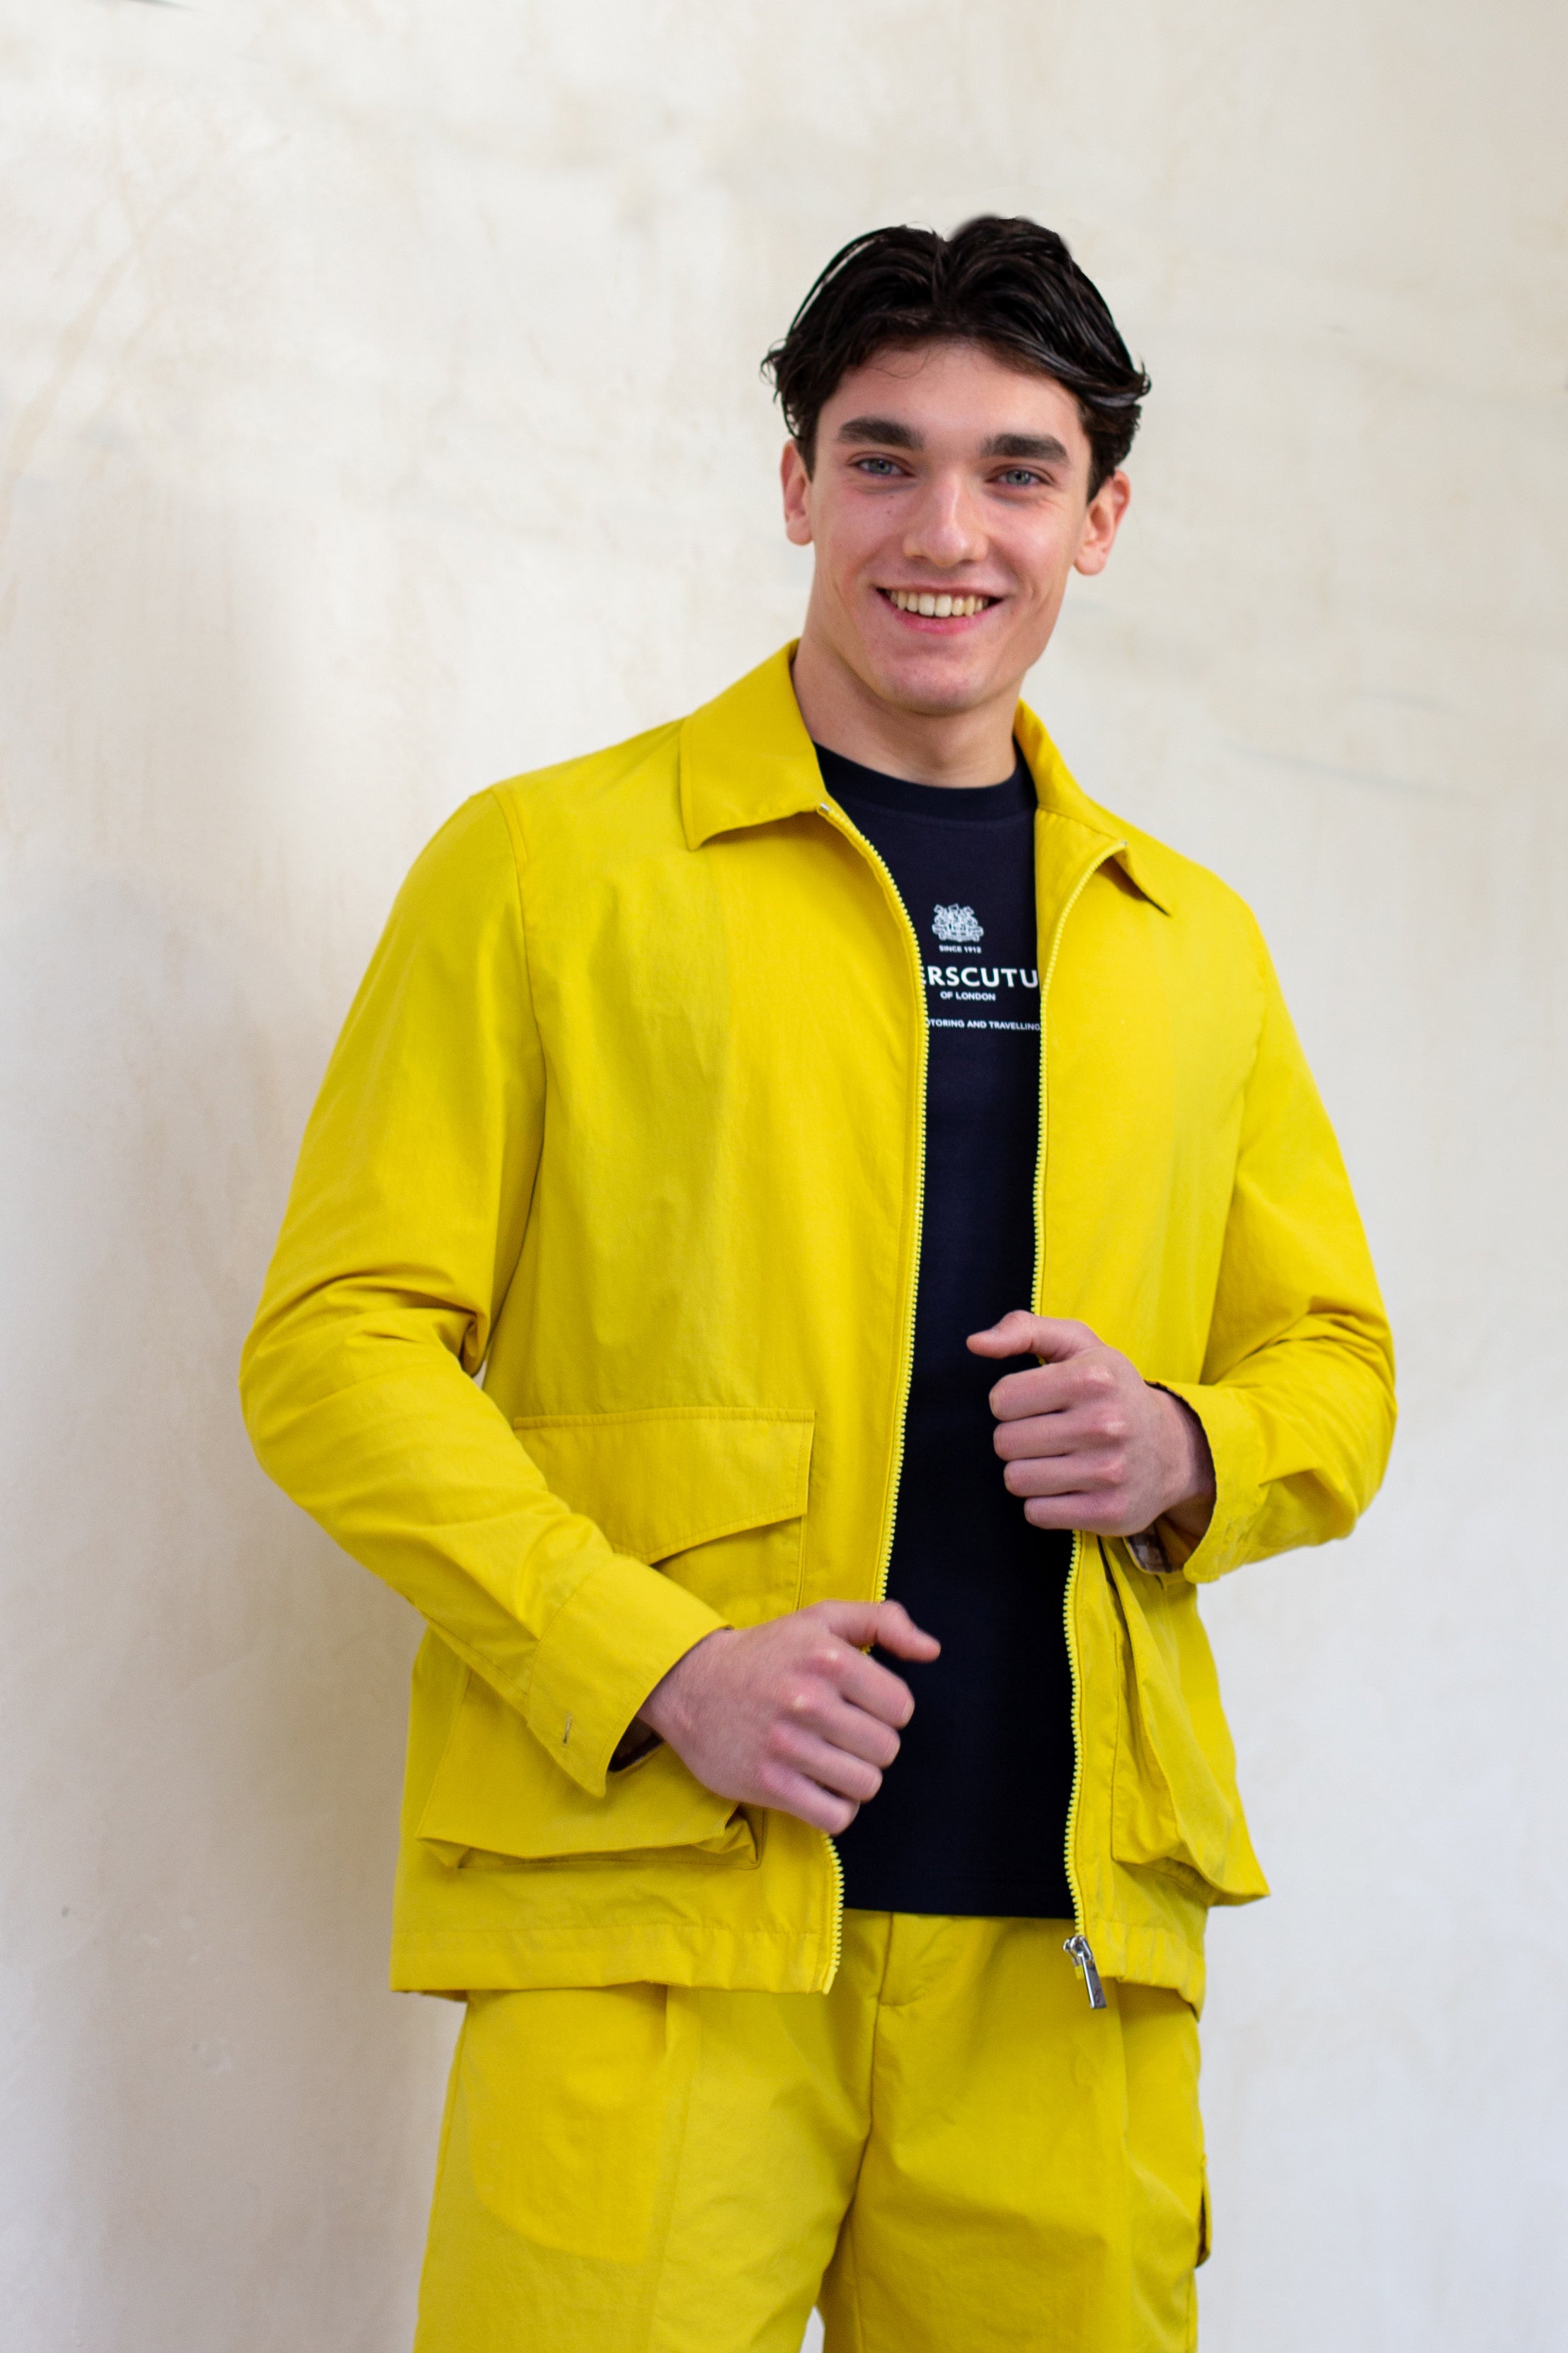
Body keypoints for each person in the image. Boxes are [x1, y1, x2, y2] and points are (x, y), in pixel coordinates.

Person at [240, 216, 1395, 2353]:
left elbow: (1333, 1362)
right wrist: (657, 1662)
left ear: (1100, 519)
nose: (945, 532)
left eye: (1017, 471)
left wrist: (1187, 1446)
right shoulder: (549, 871)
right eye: (883, 459)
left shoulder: (1191, 945)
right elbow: (338, 1346)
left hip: (1067, 1954)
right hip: (655, 1918)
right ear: (797, 485)